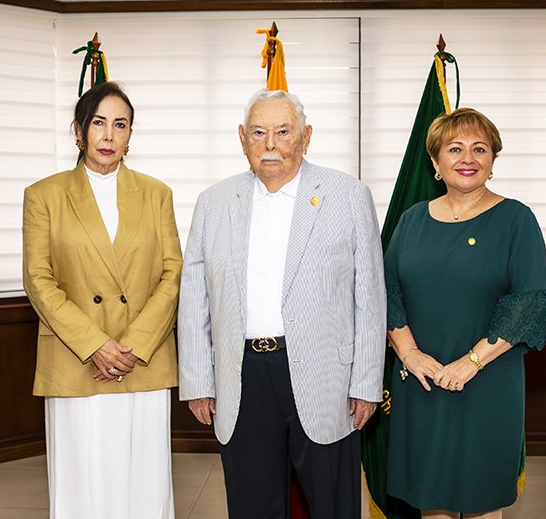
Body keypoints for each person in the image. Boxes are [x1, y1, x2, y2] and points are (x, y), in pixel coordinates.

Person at [178, 89, 386, 519]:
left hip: (326, 379)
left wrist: (366, 383)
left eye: (283, 131)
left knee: (333, 506)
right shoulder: (214, 202)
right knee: (252, 505)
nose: (270, 144)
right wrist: (198, 381)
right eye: (258, 132)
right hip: (243, 377)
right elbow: (195, 295)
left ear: (306, 137)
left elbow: (369, 296)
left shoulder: (348, 195)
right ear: (242, 138)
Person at [384, 107, 546, 519]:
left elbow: (529, 303)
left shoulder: (516, 220)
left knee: (482, 502)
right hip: (423, 381)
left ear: (493, 159)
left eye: (479, 149)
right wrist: (410, 355)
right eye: (455, 148)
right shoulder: (411, 221)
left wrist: (470, 363)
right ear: (435, 162)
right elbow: (387, 294)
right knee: (431, 501)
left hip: (487, 382)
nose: (468, 158)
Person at [22, 81, 182, 519]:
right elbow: (38, 279)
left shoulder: (157, 194)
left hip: (140, 358)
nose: (109, 135)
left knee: (144, 478)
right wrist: (96, 344)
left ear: (130, 135)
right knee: (83, 478)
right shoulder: (44, 195)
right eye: (98, 123)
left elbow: (172, 274)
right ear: (79, 131)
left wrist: (132, 346)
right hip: (76, 358)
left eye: (120, 124)